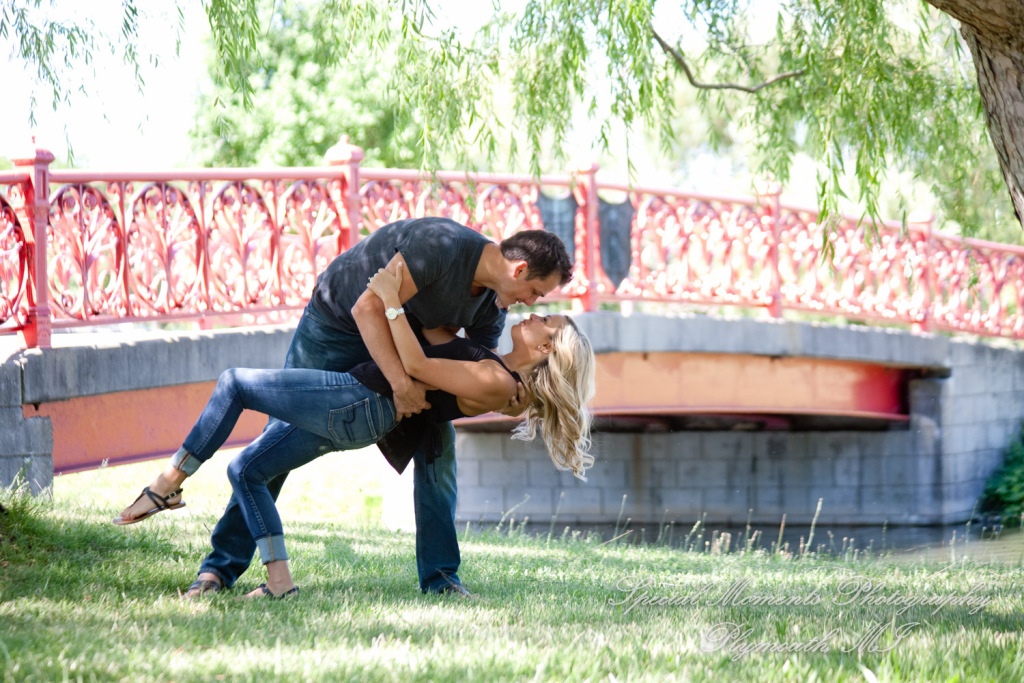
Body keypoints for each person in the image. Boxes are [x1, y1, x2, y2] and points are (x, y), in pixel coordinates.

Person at [118, 217, 574, 597]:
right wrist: (400, 384)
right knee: (279, 438)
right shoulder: (441, 246)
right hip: (341, 326)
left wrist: (516, 390)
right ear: (517, 270)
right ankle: (220, 568)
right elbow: (368, 308)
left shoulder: (490, 311)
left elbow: (466, 373)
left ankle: (441, 579)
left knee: (439, 452)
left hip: (401, 361)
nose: (530, 305)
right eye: (536, 292)